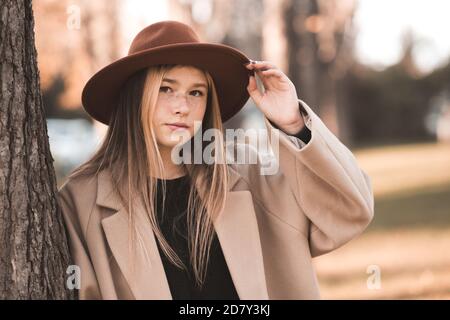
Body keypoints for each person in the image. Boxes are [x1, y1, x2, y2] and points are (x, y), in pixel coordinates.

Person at [58, 20, 374, 300]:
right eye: (166, 89)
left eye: (196, 93)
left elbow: (349, 211)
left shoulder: (249, 175)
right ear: (134, 97)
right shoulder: (83, 199)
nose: (182, 106)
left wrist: (292, 122)